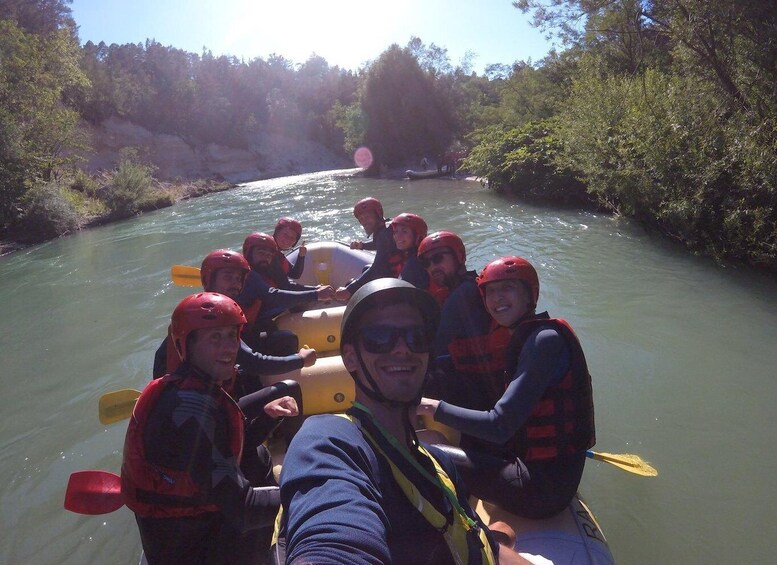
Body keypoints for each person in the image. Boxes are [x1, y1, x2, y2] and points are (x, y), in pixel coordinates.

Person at [277, 278, 529, 565]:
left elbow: (476, 541)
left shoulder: (439, 464)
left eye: (416, 337)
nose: (401, 349)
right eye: (379, 337)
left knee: (502, 533)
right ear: (351, 359)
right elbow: (333, 542)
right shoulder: (328, 441)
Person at [417, 257, 596, 519]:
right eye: (490, 291)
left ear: (529, 295)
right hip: (538, 467)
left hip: (540, 490)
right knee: (451, 438)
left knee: (423, 450)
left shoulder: (544, 342)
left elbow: (499, 426)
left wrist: (430, 406)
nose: (497, 298)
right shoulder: (530, 336)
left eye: (508, 288)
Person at [122, 292, 294, 564]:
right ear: (186, 345)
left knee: (259, 456)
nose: (228, 347)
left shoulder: (191, 387)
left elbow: (223, 449)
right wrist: (306, 488)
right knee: (294, 498)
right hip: (192, 549)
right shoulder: (190, 412)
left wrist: (267, 417)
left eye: (231, 335)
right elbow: (244, 510)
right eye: (215, 337)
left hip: (190, 529)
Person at [152, 249, 316, 395]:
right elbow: (255, 362)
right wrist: (301, 360)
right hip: (193, 397)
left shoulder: (211, 309)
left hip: (205, 386)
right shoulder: (210, 314)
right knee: (286, 388)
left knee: (285, 340)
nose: (235, 284)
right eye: (227, 277)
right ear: (209, 279)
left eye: (238, 279)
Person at [238, 233, 335, 350]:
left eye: (269, 255)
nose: (266, 258)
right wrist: (316, 294)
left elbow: (288, 281)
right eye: (261, 253)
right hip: (241, 335)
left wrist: (315, 290)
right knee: (288, 339)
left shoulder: (257, 269)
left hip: (251, 322)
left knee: (283, 315)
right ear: (248, 252)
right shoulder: (247, 274)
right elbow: (273, 295)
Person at [416, 231, 492, 363]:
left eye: (437, 258)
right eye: (426, 263)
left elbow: (436, 345)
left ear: (460, 256)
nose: (432, 267)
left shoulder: (463, 294)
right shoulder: (466, 285)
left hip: (475, 376)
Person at [334, 197, 398, 301]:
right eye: (361, 219)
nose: (364, 221)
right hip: (392, 270)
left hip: (395, 276)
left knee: (352, 285)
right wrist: (362, 246)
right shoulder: (385, 228)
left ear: (378, 214)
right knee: (365, 269)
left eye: (368, 216)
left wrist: (349, 289)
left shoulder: (384, 234)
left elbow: (378, 266)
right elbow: (380, 245)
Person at [390, 212, 430, 289]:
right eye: (396, 232)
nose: (397, 236)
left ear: (418, 236)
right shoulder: (411, 258)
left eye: (404, 231)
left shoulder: (414, 263)